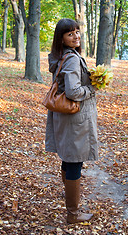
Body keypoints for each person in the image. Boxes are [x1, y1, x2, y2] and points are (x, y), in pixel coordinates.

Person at [45, 18, 98, 224]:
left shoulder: (60, 56)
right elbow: (74, 91)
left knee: (68, 158)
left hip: (64, 118)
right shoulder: (73, 59)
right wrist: (92, 88)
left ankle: (69, 199)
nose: (76, 36)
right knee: (75, 160)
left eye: (77, 31)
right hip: (75, 118)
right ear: (62, 38)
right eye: (70, 34)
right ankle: (73, 214)